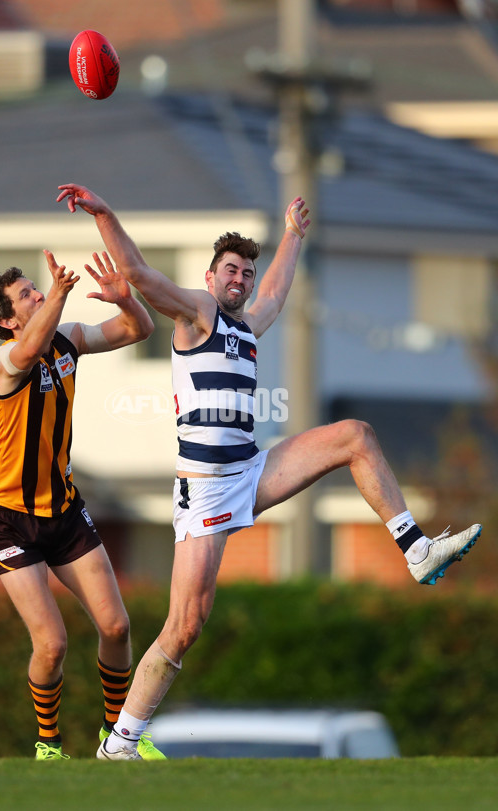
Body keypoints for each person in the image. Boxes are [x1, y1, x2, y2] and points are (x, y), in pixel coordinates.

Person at [56, 182, 482, 761]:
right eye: (230, 270)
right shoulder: (198, 312)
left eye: (245, 273)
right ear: (210, 278)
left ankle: (416, 550)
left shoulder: (247, 324)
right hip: (205, 490)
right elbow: (137, 271)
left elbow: (277, 292)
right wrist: (104, 213)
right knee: (186, 625)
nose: (240, 280)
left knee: (355, 436)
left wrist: (292, 235)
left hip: (250, 470)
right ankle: (120, 742)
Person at [0, 247, 165, 760]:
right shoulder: (5, 361)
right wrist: (59, 295)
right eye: (26, 296)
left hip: (63, 510)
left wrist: (127, 302)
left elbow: (139, 331)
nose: (38, 295)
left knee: (117, 626)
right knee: (53, 644)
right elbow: (30, 347)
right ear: (6, 321)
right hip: (9, 519)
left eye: (37, 289)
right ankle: (49, 744)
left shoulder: (69, 339)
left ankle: (116, 738)